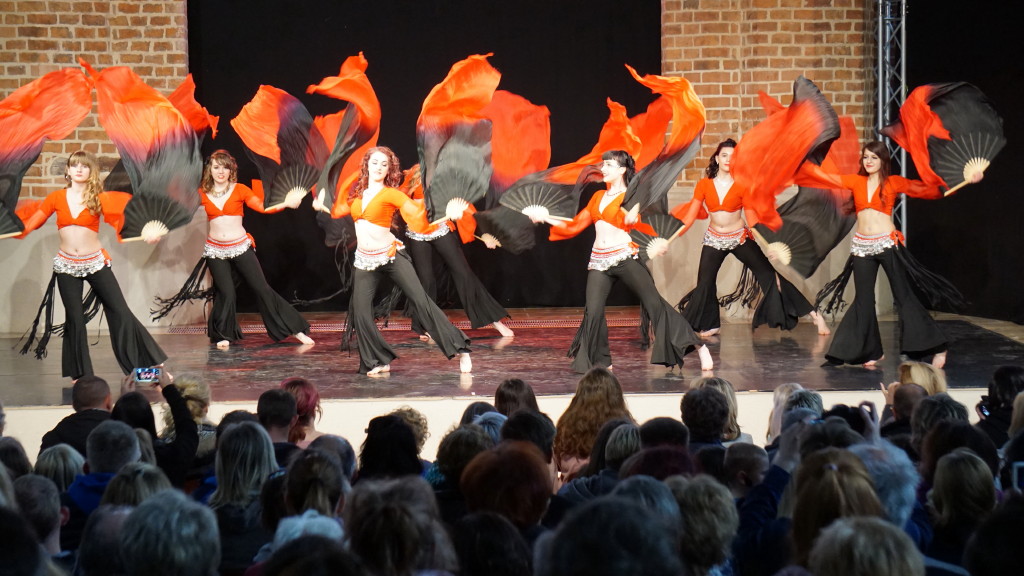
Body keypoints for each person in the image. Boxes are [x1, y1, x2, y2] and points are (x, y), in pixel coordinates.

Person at [535, 150, 710, 373]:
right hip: (599, 261)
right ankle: (603, 362)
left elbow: (637, 222)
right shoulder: (598, 197)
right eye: (603, 164)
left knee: (654, 305)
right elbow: (574, 226)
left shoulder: (630, 197)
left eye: (608, 165)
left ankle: (698, 344)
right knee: (593, 311)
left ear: (621, 170)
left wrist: (635, 220)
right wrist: (546, 217)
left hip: (624, 258)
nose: (603, 168)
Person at [811, 141, 981, 367]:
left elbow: (925, 188)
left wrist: (965, 178)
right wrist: (796, 163)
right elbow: (824, 178)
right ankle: (872, 351)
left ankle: (938, 346)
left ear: (883, 160)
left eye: (874, 157)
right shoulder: (855, 181)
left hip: (887, 244)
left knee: (903, 296)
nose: (868, 161)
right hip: (862, 246)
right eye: (865, 157)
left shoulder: (893, 182)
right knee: (863, 299)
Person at [313, 146, 471, 375]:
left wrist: (447, 214)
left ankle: (461, 348)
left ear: (389, 170)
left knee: (422, 302)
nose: (379, 167)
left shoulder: (391, 194)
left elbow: (417, 213)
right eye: (375, 162)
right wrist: (322, 206)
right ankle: (378, 361)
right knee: (361, 313)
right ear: (367, 165)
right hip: (365, 261)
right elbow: (339, 209)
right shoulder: (357, 195)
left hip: (390, 256)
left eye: (384, 164)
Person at [15, 150, 167, 380]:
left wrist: (146, 233)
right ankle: (81, 374)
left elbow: (124, 219)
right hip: (66, 265)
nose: (79, 169)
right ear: (67, 171)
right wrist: (14, 229)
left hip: (95, 262)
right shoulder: (56, 197)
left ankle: (148, 366)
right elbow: (32, 223)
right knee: (75, 319)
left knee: (120, 311)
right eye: (75, 165)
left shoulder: (98, 197)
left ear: (91, 171)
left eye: (84, 166)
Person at [667, 139, 830, 337]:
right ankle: (712, 324)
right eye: (724, 155)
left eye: (733, 157)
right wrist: (668, 241)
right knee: (705, 283)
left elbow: (752, 221)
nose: (728, 160)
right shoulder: (704, 185)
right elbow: (690, 217)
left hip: (739, 238)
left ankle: (815, 316)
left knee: (770, 277)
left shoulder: (743, 186)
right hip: (714, 239)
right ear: (717, 159)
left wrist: (769, 244)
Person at [156, 150, 313, 349]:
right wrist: (160, 230)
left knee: (262, 289)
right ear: (210, 170)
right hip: (215, 250)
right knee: (226, 293)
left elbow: (262, 206)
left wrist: (285, 204)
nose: (221, 171)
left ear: (231, 170)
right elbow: (180, 213)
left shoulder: (240, 190)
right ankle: (224, 334)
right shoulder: (202, 193)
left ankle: (295, 329)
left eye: (225, 167)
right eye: (216, 167)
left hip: (240, 246)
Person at [402, 167, 515, 339]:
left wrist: (484, 234)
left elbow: (466, 208)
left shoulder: (448, 175)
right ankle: (425, 324)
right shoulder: (415, 173)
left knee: (463, 273)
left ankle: (494, 320)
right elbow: (399, 199)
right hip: (417, 233)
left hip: (440, 228)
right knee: (426, 280)